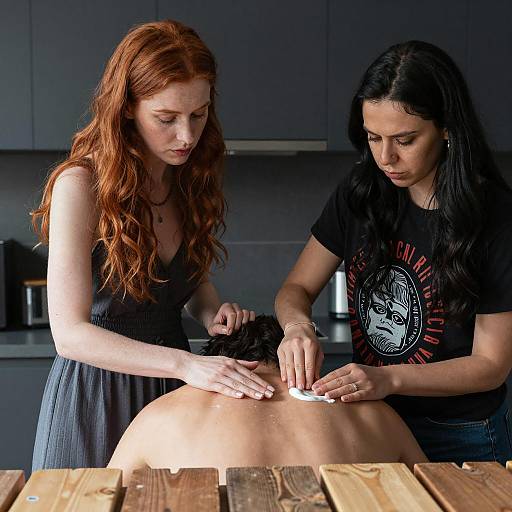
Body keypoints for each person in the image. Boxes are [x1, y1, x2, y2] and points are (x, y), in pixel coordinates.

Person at [30, 20, 274, 471]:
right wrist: (185, 365)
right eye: (166, 118)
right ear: (126, 109)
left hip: (173, 399)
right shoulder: (81, 186)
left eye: (198, 115)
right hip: (97, 398)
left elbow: (189, 284)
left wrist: (212, 313)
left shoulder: (188, 181)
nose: (186, 136)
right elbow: (69, 335)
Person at [275, 40, 512, 466]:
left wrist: (388, 377)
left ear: (445, 128)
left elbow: (491, 365)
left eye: (405, 139)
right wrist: (297, 328)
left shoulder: (495, 217)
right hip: (373, 419)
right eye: (373, 138)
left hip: (462, 434)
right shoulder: (359, 192)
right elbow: (296, 287)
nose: (386, 158)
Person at [108, 316, 427, 485]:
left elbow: (103, 497)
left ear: (216, 364)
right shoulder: (374, 412)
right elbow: (436, 490)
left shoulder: (160, 417)